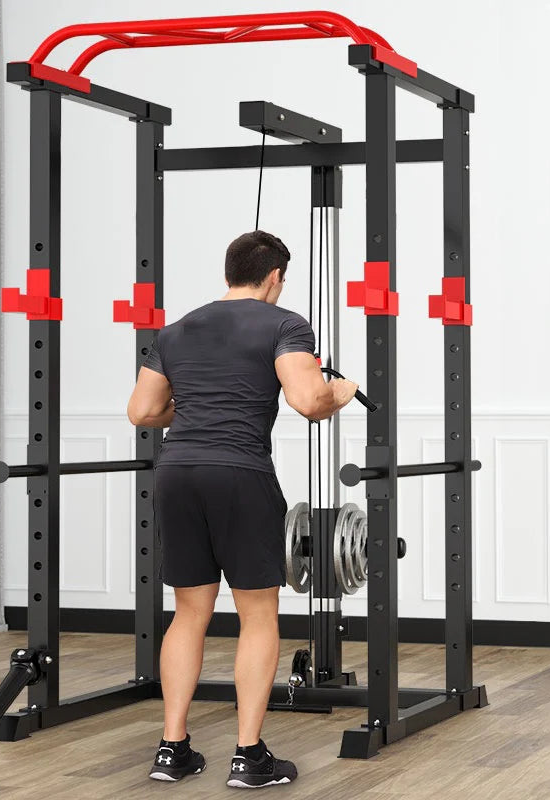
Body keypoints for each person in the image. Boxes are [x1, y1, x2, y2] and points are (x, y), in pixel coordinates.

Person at [126, 230, 358, 789]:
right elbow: (308, 402)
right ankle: (248, 756)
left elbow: (142, 411)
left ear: (230, 271)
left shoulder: (176, 329)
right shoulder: (285, 325)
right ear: (275, 276)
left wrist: (197, 411)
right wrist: (343, 390)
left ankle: (172, 748)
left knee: (189, 613)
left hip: (177, 474)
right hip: (240, 476)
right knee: (258, 616)